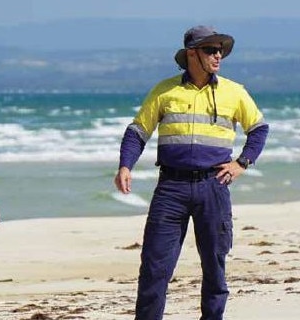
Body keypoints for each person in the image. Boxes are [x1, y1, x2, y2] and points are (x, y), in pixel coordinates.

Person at [114, 25, 269, 320]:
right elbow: (137, 132)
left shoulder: (234, 92)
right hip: (171, 188)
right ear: (192, 54)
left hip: (214, 186)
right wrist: (125, 165)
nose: (218, 55)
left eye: (220, 49)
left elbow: (259, 129)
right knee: (154, 266)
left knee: (214, 265)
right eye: (211, 49)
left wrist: (242, 163)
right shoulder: (165, 90)